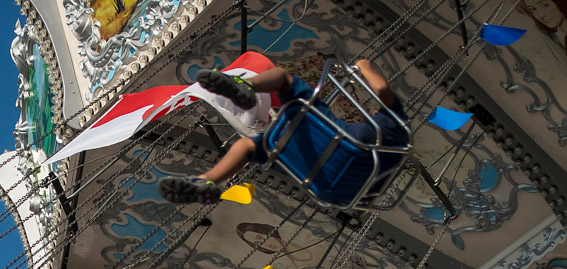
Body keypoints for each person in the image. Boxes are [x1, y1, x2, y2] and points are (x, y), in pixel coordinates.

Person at [158, 59, 408, 206]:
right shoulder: (394, 142)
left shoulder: (393, 127)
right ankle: (206, 181)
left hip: (331, 151)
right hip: (332, 189)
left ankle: (246, 86)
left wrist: (365, 67)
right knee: (249, 147)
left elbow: (382, 88)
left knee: (284, 79)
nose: (373, 112)